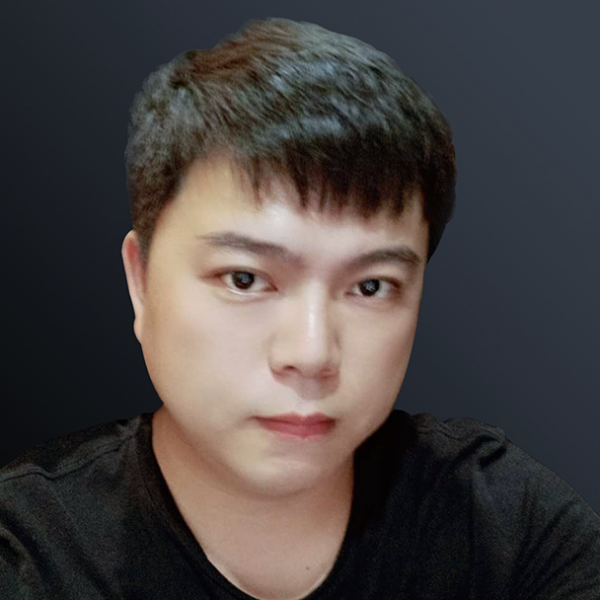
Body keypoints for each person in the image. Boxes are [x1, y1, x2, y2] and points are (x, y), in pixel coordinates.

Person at [1, 17, 598, 600]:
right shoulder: (29, 553)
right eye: (245, 279)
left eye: (371, 287)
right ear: (140, 280)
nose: (311, 354)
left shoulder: (506, 529)